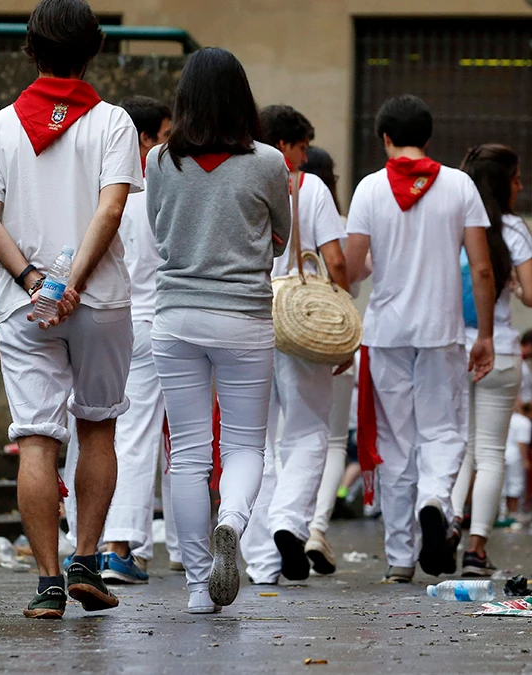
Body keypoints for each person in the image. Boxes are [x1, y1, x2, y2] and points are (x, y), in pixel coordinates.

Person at [0, 0, 142, 619]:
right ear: (93, 50)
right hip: (100, 299)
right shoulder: (115, 123)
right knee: (97, 427)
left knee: (37, 440)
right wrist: (73, 282)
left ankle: (46, 583)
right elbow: (111, 210)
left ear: (30, 49)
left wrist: (35, 280)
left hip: (25, 304)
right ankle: (87, 561)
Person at [145, 48, 290, 613]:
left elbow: (159, 231)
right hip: (244, 318)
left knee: (187, 454)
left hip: (176, 316)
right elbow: (280, 235)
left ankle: (197, 589)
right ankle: (231, 519)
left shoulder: (159, 161)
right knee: (245, 443)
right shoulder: (268, 163)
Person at [345, 94, 496, 582]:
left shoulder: (369, 189)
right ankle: (436, 501)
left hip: (385, 332)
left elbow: (351, 267)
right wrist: (487, 334)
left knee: (394, 441)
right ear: (428, 137)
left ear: (385, 138)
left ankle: (399, 560)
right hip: (441, 332)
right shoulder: (459, 185)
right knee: (443, 432)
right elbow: (482, 268)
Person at [64, 95, 172, 585]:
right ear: (143, 140)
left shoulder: (91, 192)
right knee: (132, 434)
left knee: (79, 431)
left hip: (89, 314)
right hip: (146, 321)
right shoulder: (157, 195)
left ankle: (79, 540)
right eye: (164, 137)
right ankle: (118, 544)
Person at [241, 112, 349, 585]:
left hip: (245, 318)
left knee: (253, 443)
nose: (307, 157)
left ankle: (262, 563)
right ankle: (289, 521)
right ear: (286, 145)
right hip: (302, 322)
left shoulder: (237, 176)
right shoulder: (308, 188)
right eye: (304, 147)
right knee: (307, 433)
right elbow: (337, 258)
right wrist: (343, 317)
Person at [448, 144, 532, 577]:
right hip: (499, 350)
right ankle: (476, 549)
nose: (521, 186)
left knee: (457, 449)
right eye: (517, 178)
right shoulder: (511, 228)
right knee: (489, 453)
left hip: (451, 350)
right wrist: (518, 291)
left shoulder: (451, 223)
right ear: (501, 183)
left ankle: (447, 526)